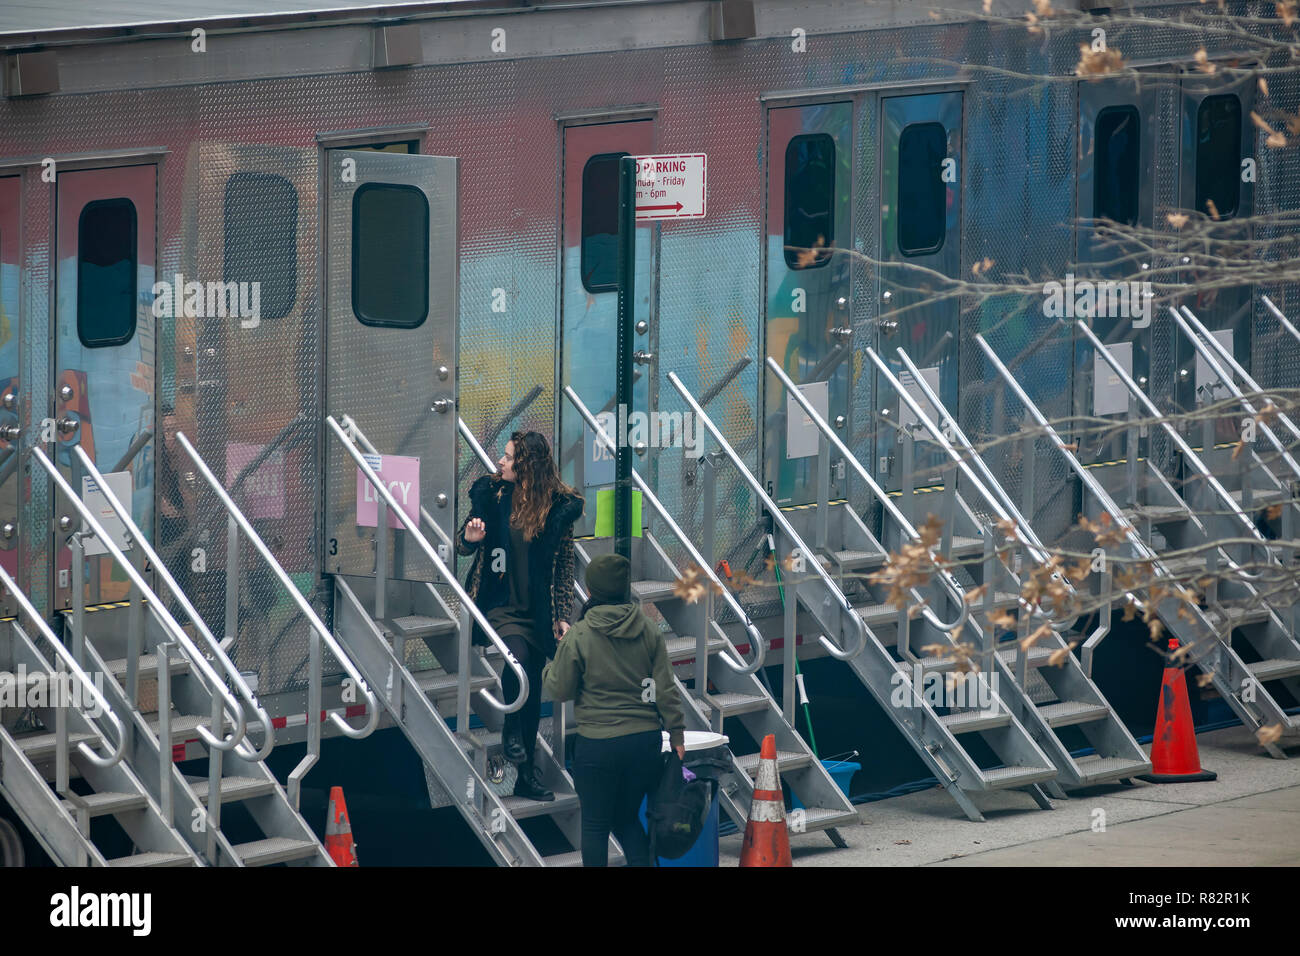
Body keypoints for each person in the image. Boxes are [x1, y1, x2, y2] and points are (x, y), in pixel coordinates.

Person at [457, 430, 584, 802]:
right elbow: (463, 544)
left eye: (509, 457)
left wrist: (563, 614)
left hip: (537, 609)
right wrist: (470, 538)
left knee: (532, 681)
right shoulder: (490, 494)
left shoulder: (558, 506)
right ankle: (511, 732)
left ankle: (527, 773)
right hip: (498, 602)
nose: (501, 462)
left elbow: (564, 567)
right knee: (519, 662)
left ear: (528, 465)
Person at [543, 553, 686, 867]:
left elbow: (559, 689)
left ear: (591, 591)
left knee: (595, 825)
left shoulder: (579, 634)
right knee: (627, 819)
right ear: (625, 588)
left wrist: (551, 663)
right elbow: (665, 689)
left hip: (598, 745)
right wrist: (676, 734)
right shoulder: (648, 629)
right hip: (644, 744)